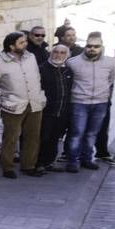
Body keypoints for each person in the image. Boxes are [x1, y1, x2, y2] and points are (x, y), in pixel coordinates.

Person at [0, 31, 47, 178]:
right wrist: (2, 103)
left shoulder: (31, 57)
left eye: (25, 41)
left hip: (34, 103)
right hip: (12, 106)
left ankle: (28, 165)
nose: (25, 44)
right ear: (11, 46)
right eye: (21, 42)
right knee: (11, 137)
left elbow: (37, 77)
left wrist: (41, 96)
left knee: (33, 137)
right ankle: (7, 167)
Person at [64, 33, 115, 172]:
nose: (92, 49)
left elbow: (111, 80)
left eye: (96, 46)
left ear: (102, 47)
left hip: (100, 103)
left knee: (92, 133)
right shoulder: (73, 62)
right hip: (79, 102)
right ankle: (72, 161)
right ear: (85, 46)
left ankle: (87, 159)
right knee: (77, 133)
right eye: (89, 46)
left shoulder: (110, 62)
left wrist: (104, 96)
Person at [39, 43, 75, 171]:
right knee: (43, 138)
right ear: (51, 53)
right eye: (56, 52)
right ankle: (39, 163)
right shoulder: (42, 69)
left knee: (55, 138)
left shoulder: (68, 70)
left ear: (67, 55)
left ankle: (49, 162)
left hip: (62, 112)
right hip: (46, 112)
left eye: (62, 53)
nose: (58, 55)